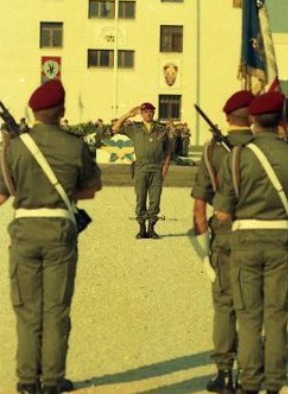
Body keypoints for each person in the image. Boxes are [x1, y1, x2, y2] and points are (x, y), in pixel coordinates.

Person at [0, 79, 102, 394]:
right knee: (56, 309)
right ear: (62, 112)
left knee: (28, 310)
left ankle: (27, 380)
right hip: (60, 230)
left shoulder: (14, 146)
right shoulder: (75, 145)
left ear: (33, 111)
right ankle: (53, 380)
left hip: (25, 231)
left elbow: (2, 195)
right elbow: (92, 189)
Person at [213, 91, 288, 394]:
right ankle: (275, 382)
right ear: (280, 120)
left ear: (252, 120)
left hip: (245, 242)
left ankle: (251, 382)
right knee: (277, 313)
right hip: (281, 241)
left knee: (249, 315)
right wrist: (280, 209)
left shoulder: (238, 156)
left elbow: (222, 211)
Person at [191, 90, 254, 394]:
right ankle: (251, 374)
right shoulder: (264, 148)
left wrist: (203, 254)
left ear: (228, 117)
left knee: (225, 306)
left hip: (225, 238)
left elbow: (199, 208)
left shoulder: (212, 151)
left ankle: (225, 374)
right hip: (260, 235)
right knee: (254, 307)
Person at [112, 102, 171, 239]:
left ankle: (151, 228)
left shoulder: (162, 129)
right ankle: (141, 229)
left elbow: (168, 151)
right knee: (141, 199)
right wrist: (128, 114)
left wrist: (165, 168)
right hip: (141, 168)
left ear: (154, 113)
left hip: (156, 169)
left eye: (151, 111)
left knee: (155, 200)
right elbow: (115, 128)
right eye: (145, 112)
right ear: (141, 113)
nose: (148, 114)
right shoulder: (135, 128)